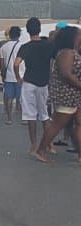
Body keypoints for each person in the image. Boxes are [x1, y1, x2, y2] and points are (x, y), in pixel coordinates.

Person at [35, 27, 81, 163]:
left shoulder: (70, 52)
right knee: (57, 124)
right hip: (67, 95)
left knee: (77, 124)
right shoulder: (67, 53)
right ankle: (41, 150)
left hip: (74, 95)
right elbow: (66, 74)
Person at [14, 17, 56, 155]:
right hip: (44, 83)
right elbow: (56, 61)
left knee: (30, 116)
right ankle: (49, 144)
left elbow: (16, 64)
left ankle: (33, 145)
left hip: (29, 82)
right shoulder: (49, 45)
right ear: (39, 29)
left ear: (27, 30)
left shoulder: (25, 47)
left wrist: (18, 78)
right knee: (44, 115)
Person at [0, 26, 22, 125]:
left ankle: (9, 119)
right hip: (20, 75)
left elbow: (2, 63)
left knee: (9, 98)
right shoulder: (22, 46)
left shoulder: (4, 47)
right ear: (19, 34)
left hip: (9, 76)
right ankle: (24, 119)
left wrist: (2, 75)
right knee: (21, 98)